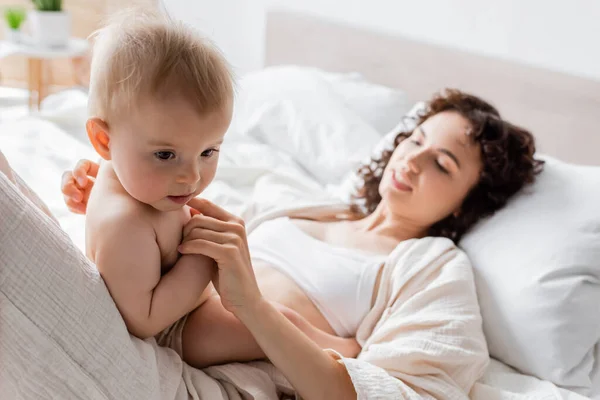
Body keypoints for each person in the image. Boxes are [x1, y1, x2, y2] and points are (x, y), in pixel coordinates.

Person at [60, 88, 544, 398]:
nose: (412, 161)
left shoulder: (432, 264)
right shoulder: (309, 204)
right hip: (171, 296)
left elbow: (406, 385)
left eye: (443, 164)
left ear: (466, 203)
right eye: (416, 140)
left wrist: (251, 304)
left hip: (215, 342)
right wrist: (124, 203)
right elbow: (190, 223)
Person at [72, 9, 360, 370]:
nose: (191, 176)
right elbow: (142, 320)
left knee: (282, 317)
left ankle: (345, 347)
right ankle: (349, 358)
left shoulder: (128, 178)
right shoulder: (124, 223)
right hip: (176, 331)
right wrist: (205, 258)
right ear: (104, 141)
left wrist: (83, 188)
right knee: (268, 330)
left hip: (191, 305)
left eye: (209, 151)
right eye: (165, 154)